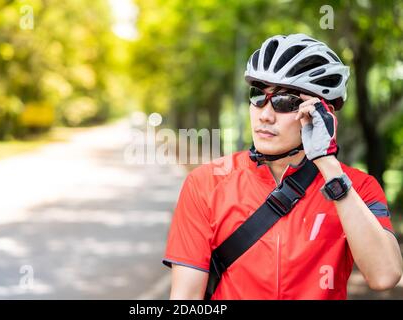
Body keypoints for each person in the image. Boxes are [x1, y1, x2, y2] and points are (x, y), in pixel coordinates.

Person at [162, 33, 402, 300]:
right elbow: (185, 299)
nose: (265, 114)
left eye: (284, 102)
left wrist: (327, 163)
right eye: (258, 96)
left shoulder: (357, 188)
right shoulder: (206, 183)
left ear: (322, 113)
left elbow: (384, 276)